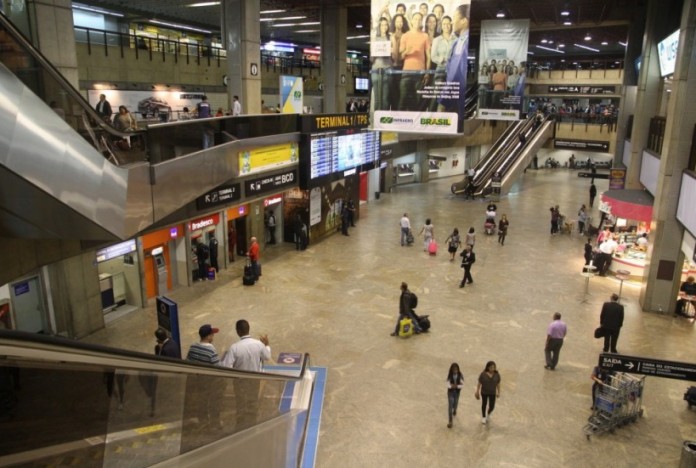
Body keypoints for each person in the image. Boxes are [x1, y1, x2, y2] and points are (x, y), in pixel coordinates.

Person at [221, 319, 271, 429]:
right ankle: (252, 425)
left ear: (238, 331)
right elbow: (267, 357)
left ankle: (240, 426)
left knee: (240, 403)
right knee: (252, 402)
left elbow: (226, 367)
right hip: (254, 380)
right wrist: (266, 345)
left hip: (239, 381)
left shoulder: (234, 347)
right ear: (249, 329)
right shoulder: (259, 344)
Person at [185, 324, 222, 429]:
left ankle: (202, 420)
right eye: (212, 334)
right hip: (208, 382)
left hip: (197, 380)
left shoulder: (193, 346)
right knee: (209, 400)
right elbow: (218, 368)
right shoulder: (211, 350)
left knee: (201, 399)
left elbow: (188, 361)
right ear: (208, 336)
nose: (213, 336)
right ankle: (211, 422)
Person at [439, 5, 469, 122]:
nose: (451, 22)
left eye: (454, 17)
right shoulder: (463, 40)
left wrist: (444, 99)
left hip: (456, 98)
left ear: (464, 21)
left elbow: (455, 72)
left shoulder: (462, 41)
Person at [398, 12, 430, 111]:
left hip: (420, 73)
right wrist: (407, 51)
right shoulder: (405, 36)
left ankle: (415, 125)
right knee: (403, 100)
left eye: (419, 19)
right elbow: (400, 57)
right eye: (415, 18)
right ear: (411, 21)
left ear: (421, 22)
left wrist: (427, 73)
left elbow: (428, 56)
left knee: (417, 102)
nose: (417, 21)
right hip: (406, 72)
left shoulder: (425, 36)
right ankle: (398, 125)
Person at [446, 363, 464, 428]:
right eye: (454, 369)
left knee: (455, 404)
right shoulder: (450, 375)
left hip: (457, 393)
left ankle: (455, 409)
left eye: (456, 369)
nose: (455, 371)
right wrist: (451, 386)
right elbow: (447, 384)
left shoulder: (460, 375)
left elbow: (462, 385)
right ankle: (450, 421)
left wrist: (456, 386)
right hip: (450, 393)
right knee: (450, 406)